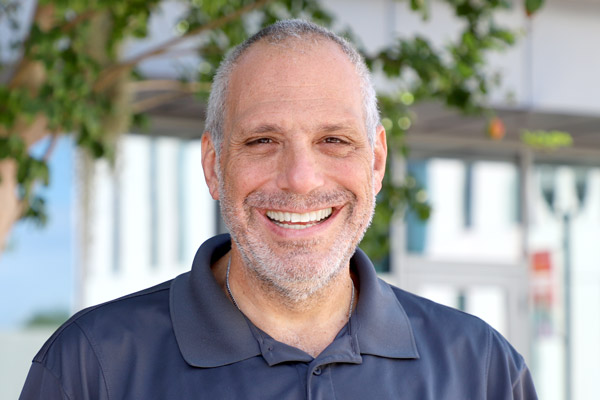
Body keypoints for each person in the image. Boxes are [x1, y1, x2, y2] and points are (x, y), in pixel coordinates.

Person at [20, 19, 537, 399]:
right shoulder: (92, 367)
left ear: (376, 162)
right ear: (213, 164)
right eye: (263, 140)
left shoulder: (482, 371)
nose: (300, 179)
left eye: (334, 140)